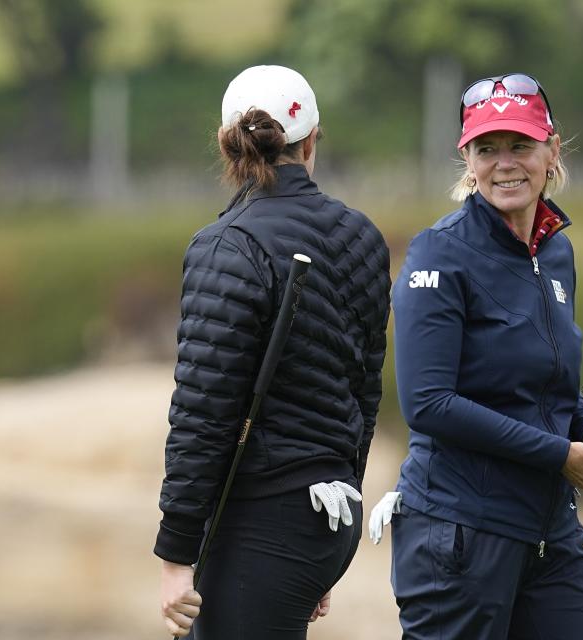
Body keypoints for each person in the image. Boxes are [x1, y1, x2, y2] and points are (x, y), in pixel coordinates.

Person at [368, 73, 583, 639]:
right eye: (487, 149)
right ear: (467, 160)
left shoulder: (557, 252)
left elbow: (551, 384)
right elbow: (428, 404)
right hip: (458, 534)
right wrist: (561, 455)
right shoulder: (439, 254)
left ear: (551, 150)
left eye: (520, 145)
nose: (505, 163)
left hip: (549, 533)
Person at [155, 64, 391, 639]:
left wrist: (175, 556)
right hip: (330, 514)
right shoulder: (362, 235)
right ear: (312, 139)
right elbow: (364, 390)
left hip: (262, 521)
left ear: (226, 143)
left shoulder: (225, 244)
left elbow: (204, 411)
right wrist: (341, 512)